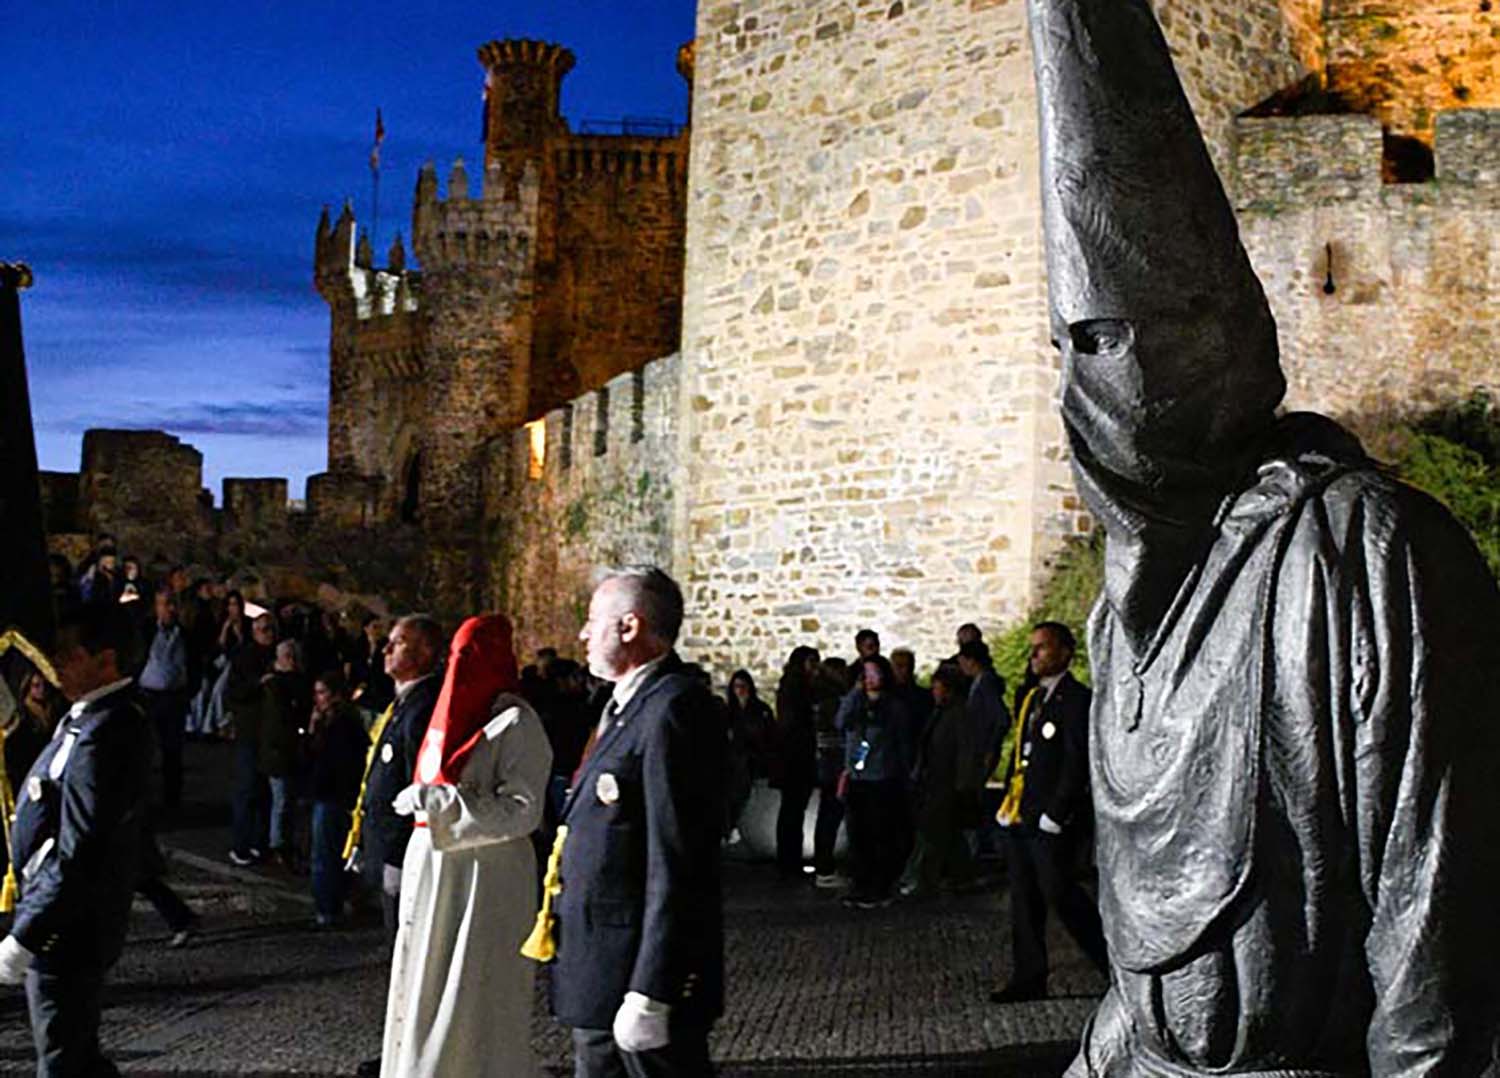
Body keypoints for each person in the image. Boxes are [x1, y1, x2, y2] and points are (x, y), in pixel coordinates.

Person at [1028, 0, 1500, 1069]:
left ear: (1222, 336)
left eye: (1132, 335)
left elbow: (1439, 954)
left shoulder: (1370, 551)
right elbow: (1156, 966)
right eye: (1078, 345)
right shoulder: (1120, 616)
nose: (1111, 377)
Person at [540, 566, 726, 1077]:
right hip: (601, 966)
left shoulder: (673, 710)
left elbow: (677, 859)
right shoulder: (623, 705)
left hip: (634, 972)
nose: (581, 634)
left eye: (592, 619)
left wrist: (654, 988)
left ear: (629, 627)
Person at [379, 615, 551, 1078]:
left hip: (482, 878)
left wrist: (443, 803)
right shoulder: (448, 719)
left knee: (470, 989)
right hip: (435, 871)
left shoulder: (516, 722)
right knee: (423, 983)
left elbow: (522, 808)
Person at [0, 604, 149, 1076]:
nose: (57, 661)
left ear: (106, 660)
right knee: (77, 1055)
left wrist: (28, 933)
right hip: (64, 918)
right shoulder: (87, 718)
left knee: (62, 1059)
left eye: (71, 653)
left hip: (68, 926)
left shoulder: (108, 730)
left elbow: (80, 848)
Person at [987, 623, 1105, 1002]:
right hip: (1024, 814)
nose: (1034, 655)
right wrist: (1009, 801)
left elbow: (1075, 761)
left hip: (1050, 820)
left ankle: (1111, 967)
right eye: (1033, 648)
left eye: (1042, 648)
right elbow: (1023, 754)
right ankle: (1029, 975)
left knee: (1063, 895)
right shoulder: (1033, 698)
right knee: (1023, 899)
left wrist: (1058, 812)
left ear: (1065, 652)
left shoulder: (1075, 700)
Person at [348, 615, 443, 1078]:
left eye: (399, 643)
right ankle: (396, 1047)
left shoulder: (424, 706)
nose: (387, 650)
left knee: (407, 956)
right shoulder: (405, 703)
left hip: (402, 855)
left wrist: (399, 854)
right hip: (387, 850)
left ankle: (405, 1051)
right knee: (396, 956)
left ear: (425, 652)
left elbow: (415, 781)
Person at [835, 654, 915, 909]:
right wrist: (855, 694)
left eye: (874, 674)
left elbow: (902, 743)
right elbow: (841, 722)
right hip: (858, 777)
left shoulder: (894, 708)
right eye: (865, 674)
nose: (870, 680)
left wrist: (905, 775)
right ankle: (860, 883)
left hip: (882, 777)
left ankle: (879, 886)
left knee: (880, 833)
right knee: (858, 834)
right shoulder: (856, 703)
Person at [898, 665, 978, 898]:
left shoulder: (957, 715)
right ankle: (957, 876)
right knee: (944, 834)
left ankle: (924, 880)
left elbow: (964, 752)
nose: (934, 692)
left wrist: (963, 786)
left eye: (937, 688)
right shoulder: (942, 713)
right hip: (937, 781)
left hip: (945, 783)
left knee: (933, 833)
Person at [305, 671, 368, 926]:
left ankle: (327, 909)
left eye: (322, 693)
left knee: (325, 855)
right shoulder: (337, 722)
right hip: (334, 793)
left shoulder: (339, 725)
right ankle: (339, 902)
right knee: (333, 853)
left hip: (332, 795)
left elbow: (331, 761)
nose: (317, 699)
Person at [225, 612, 276, 865]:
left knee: (265, 792)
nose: (268, 634)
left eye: (271, 629)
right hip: (250, 731)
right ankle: (241, 844)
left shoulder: (277, 655)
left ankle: (260, 841)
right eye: (263, 629)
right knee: (246, 790)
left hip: (270, 735)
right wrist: (258, 684)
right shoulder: (245, 657)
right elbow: (234, 692)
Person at [138, 590, 192, 816]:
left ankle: (172, 800)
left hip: (174, 697)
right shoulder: (146, 631)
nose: (170, 609)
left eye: (172, 604)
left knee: (173, 751)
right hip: (150, 696)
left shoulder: (184, 634)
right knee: (145, 750)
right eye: (165, 604)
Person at [260, 639, 311, 871]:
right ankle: (278, 846)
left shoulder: (294, 683)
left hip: (289, 750)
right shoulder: (275, 686)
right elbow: (279, 721)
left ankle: (284, 843)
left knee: (288, 802)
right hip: (280, 751)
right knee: (281, 801)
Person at [771, 646, 821, 879]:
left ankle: (789, 861)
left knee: (792, 812)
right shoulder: (797, 690)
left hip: (792, 758)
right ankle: (789, 862)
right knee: (792, 812)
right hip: (795, 759)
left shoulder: (791, 688)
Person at [724, 669, 774, 844]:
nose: (740, 690)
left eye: (743, 686)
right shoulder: (728, 711)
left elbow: (768, 734)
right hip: (735, 763)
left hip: (756, 761)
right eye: (737, 686)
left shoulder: (760, 710)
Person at [810, 656, 849, 887]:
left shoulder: (819, 697)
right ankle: (824, 868)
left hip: (827, 763)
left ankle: (823, 866)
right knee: (831, 814)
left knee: (828, 814)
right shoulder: (832, 699)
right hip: (834, 763)